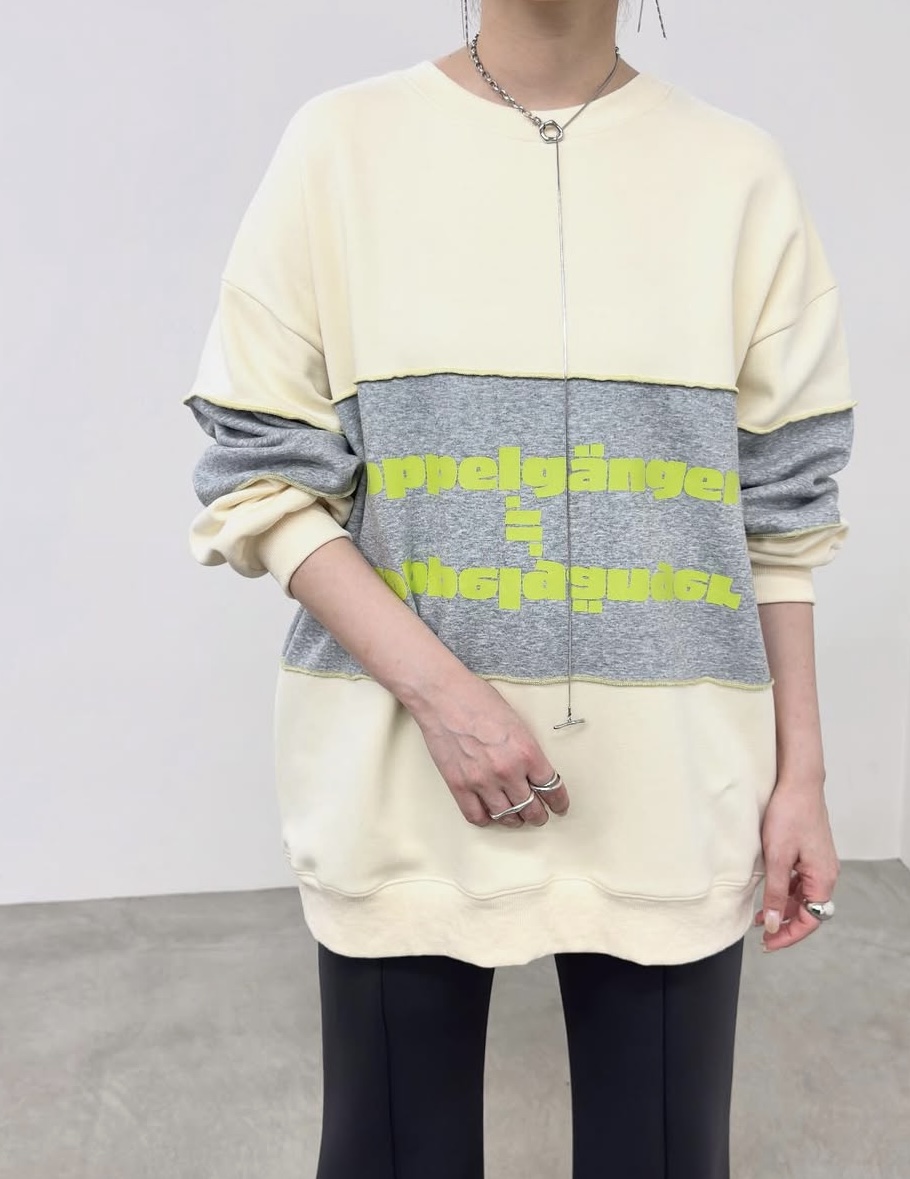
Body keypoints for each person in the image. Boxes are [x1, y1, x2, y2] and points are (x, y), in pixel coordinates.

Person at [182, 0, 852, 1174]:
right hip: (400, 777)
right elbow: (259, 472)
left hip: (676, 787)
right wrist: (445, 700)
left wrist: (802, 774)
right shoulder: (342, 146)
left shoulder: (736, 171)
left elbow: (782, 514)